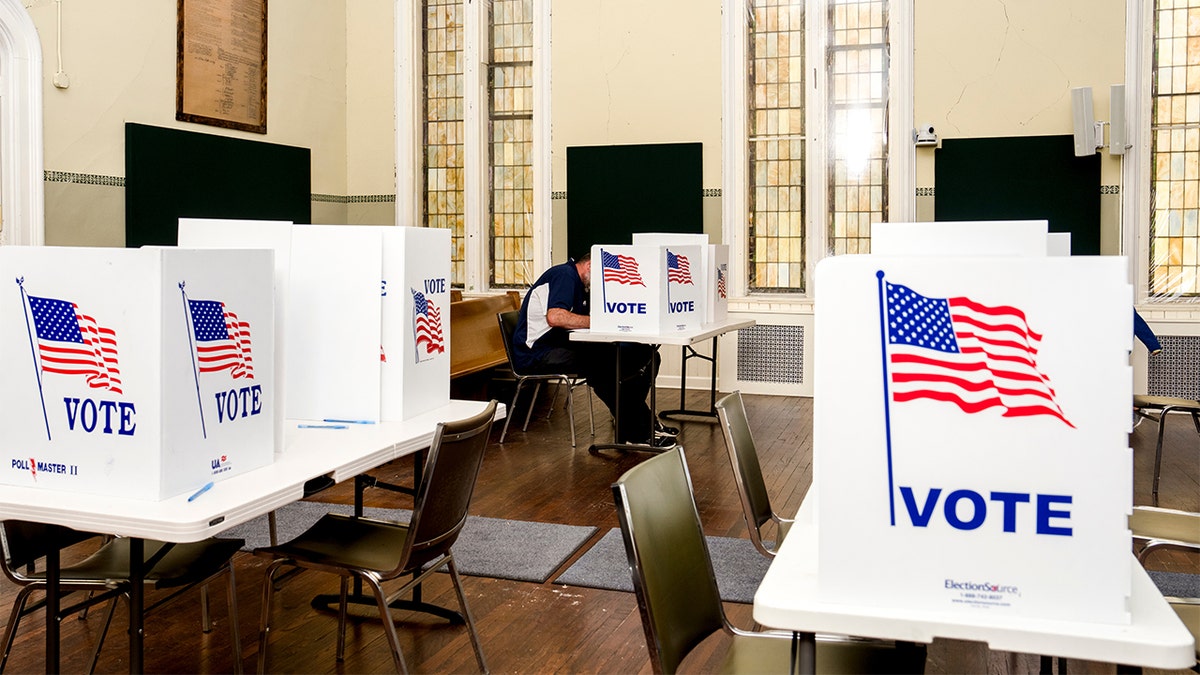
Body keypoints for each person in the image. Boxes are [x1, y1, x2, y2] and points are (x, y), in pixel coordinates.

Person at [511, 252, 678, 449]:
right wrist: (599, 321)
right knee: (606, 367)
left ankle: (637, 422)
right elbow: (555, 317)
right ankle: (638, 430)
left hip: (558, 346)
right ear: (590, 265)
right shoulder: (565, 275)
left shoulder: (579, 284)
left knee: (646, 356)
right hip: (537, 353)